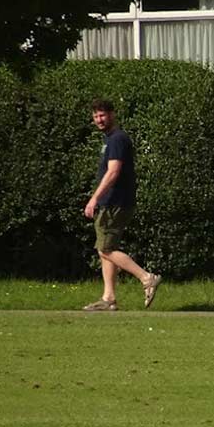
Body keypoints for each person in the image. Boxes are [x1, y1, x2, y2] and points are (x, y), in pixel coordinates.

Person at [82, 99, 161, 312]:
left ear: (112, 115)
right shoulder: (110, 140)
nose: (99, 119)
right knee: (105, 249)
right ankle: (109, 298)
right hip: (112, 201)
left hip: (114, 202)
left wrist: (94, 198)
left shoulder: (117, 139)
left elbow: (113, 171)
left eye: (103, 115)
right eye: (96, 116)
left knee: (105, 248)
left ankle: (146, 278)